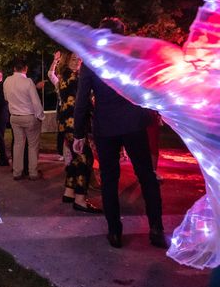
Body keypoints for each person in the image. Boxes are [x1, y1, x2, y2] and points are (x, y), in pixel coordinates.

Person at [73, 17, 166, 249]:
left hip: (106, 128)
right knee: (146, 175)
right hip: (134, 124)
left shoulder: (91, 62)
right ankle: (156, 229)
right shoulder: (133, 57)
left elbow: (82, 100)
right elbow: (149, 86)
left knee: (110, 180)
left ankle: (115, 232)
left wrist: (78, 133)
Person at [56, 52, 102, 213]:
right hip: (74, 122)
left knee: (76, 158)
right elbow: (82, 101)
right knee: (85, 158)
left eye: (79, 59)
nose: (77, 62)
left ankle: (69, 192)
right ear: (66, 61)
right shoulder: (75, 77)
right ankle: (80, 199)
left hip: (67, 122)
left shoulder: (65, 75)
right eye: (73, 59)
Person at [3, 58, 44, 180]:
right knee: (32, 145)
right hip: (29, 117)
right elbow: (36, 102)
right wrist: (40, 116)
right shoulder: (28, 82)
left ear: (14, 68)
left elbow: (6, 98)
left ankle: (17, 172)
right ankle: (33, 173)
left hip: (14, 117)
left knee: (18, 144)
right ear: (25, 68)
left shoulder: (7, 81)